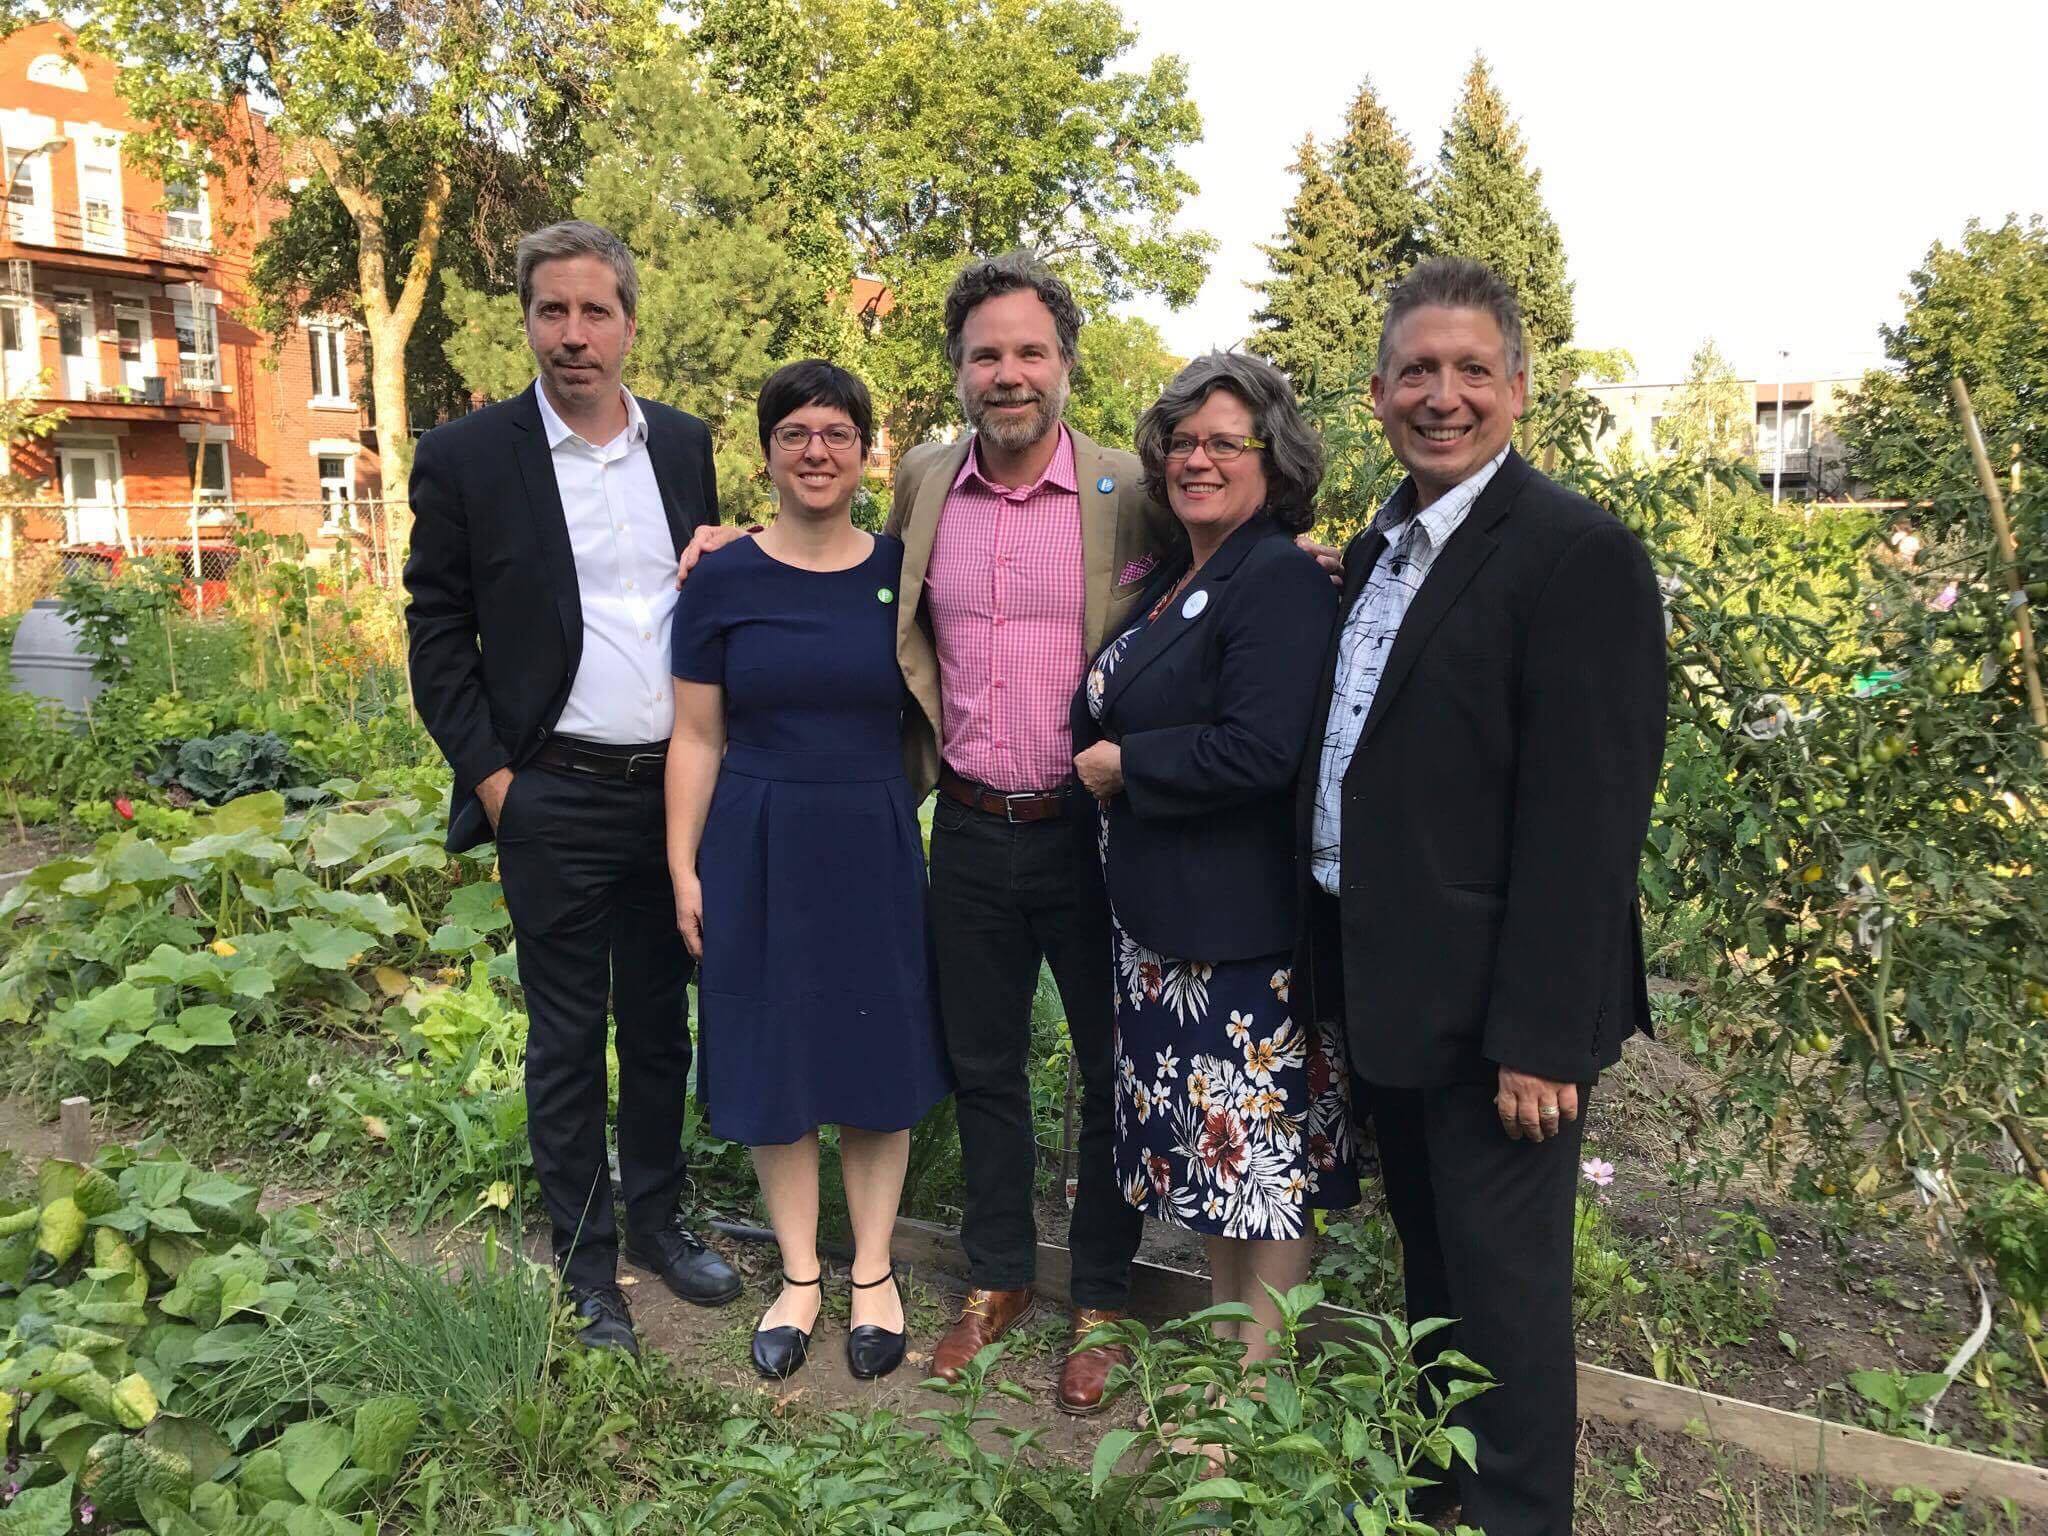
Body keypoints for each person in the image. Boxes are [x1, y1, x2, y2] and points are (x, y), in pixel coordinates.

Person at [678, 252, 1176, 1414]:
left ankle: (1098, 1295)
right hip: (962, 826)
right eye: (983, 355)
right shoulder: (922, 482)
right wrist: (721, 540)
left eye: (1028, 352)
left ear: (1065, 361)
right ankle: (996, 1278)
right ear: (955, 371)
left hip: (1091, 830)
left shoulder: (1124, 489)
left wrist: (1304, 557)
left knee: (1110, 1069)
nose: (1007, 375)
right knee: (983, 1065)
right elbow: (818, 546)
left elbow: (1223, 549)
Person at [1295, 257, 1667, 1535]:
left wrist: (1541, 1039)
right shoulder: (1378, 550)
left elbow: (1588, 818)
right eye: (1415, 371)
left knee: (1506, 1313)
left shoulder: (1573, 556)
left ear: (1516, 388)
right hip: (1393, 989)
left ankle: (1511, 1515)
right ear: (1376, 392)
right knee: (1438, 1285)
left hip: (1500, 1024)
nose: (1439, 395)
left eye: (1467, 371)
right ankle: (1437, 1505)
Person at [404, 220, 740, 1357]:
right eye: (552, 311)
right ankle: (586, 1264)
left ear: (630, 323)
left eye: (595, 311)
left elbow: (706, 597)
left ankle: (656, 1223)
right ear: (528, 323)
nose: (574, 334)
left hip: (674, 793)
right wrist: (497, 782)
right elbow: (437, 632)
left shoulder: (682, 447)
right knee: (564, 1038)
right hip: (550, 789)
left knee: (659, 1027)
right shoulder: (468, 456)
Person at [665, 360, 951, 1381]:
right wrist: (681, 865)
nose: (817, 450)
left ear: (866, 451)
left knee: (876, 1056)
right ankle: (798, 1273)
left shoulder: (903, 571)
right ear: (767, 452)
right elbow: (694, 735)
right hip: (755, 833)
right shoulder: (724, 578)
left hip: (869, 835)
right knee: (771, 1049)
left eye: (837, 432)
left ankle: (871, 1269)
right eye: (795, 433)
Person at [1069, 352, 1356, 1366]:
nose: (1197, 459)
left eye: (1223, 442)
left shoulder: (1275, 578)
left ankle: (1250, 1391)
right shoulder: (1181, 575)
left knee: (1261, 1167)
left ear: (1271, 464)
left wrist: (1123, 766)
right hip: (1168, 927)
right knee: (1214, 1162)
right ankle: (1233, 1358)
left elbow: (1261, 748)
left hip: (1239, 936)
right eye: (1180, 442)